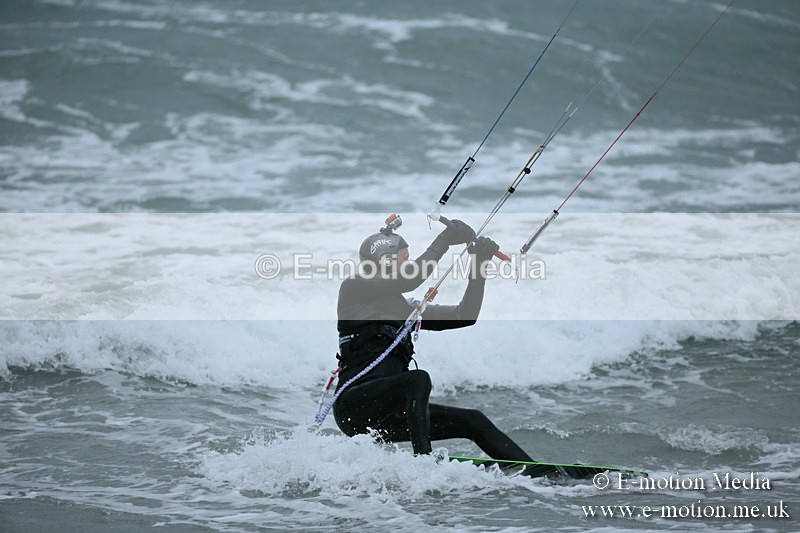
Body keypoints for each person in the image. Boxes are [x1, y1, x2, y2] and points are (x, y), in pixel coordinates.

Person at [333, 217, 533, 462]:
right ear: (385, 260)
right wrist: (445, 239)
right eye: (405, 259)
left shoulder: (405, 309)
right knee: (417, 379)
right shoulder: (354, 287)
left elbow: (464, 316)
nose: (409, 263)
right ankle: (424, 461)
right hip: (354, 406)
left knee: (473, 420)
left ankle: (531, 471)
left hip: (388, 412)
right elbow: (412, 279)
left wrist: (478, 263)